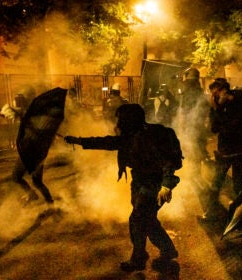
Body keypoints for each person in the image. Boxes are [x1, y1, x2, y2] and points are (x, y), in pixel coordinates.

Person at [64, 104, 183, 272]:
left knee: (138, 219)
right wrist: (78, 141)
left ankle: (139, 258)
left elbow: (168, 164)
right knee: (148, 220)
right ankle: (168, 250)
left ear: (129, 120)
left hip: (154, 185)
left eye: (121, 119)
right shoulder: (130, 136)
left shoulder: (148, 138)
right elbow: (107, 142)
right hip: (140, 183)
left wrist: (166, 186)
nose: (118, 122)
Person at [198, 78, 242, 223]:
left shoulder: (239, 105)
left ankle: (239, 213)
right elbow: (214, 128)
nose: (213, 97)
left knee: (227, 183)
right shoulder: (223, 106)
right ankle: (221, 212)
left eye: (215, 93)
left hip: (234, 151)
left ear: (223, 90)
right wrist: (215, 109)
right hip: (229, 150)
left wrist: (217, 110)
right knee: (227, 183)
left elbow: (229, 128)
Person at [11, 88, 55, 206]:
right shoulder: (38, 113)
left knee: (16, 177)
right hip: (39, 152)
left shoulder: (28, 114)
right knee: (37, 181)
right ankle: (50, 203)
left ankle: (32, 194)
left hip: (29, 151)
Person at [178, 68, 210, 176]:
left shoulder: (187, 93)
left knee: (193, 152)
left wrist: (182, 128)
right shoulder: (200, 93)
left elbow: (183, 112)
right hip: (199, 128)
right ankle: (196, 174)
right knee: (197, 152)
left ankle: (195, 176)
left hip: (192, 128)